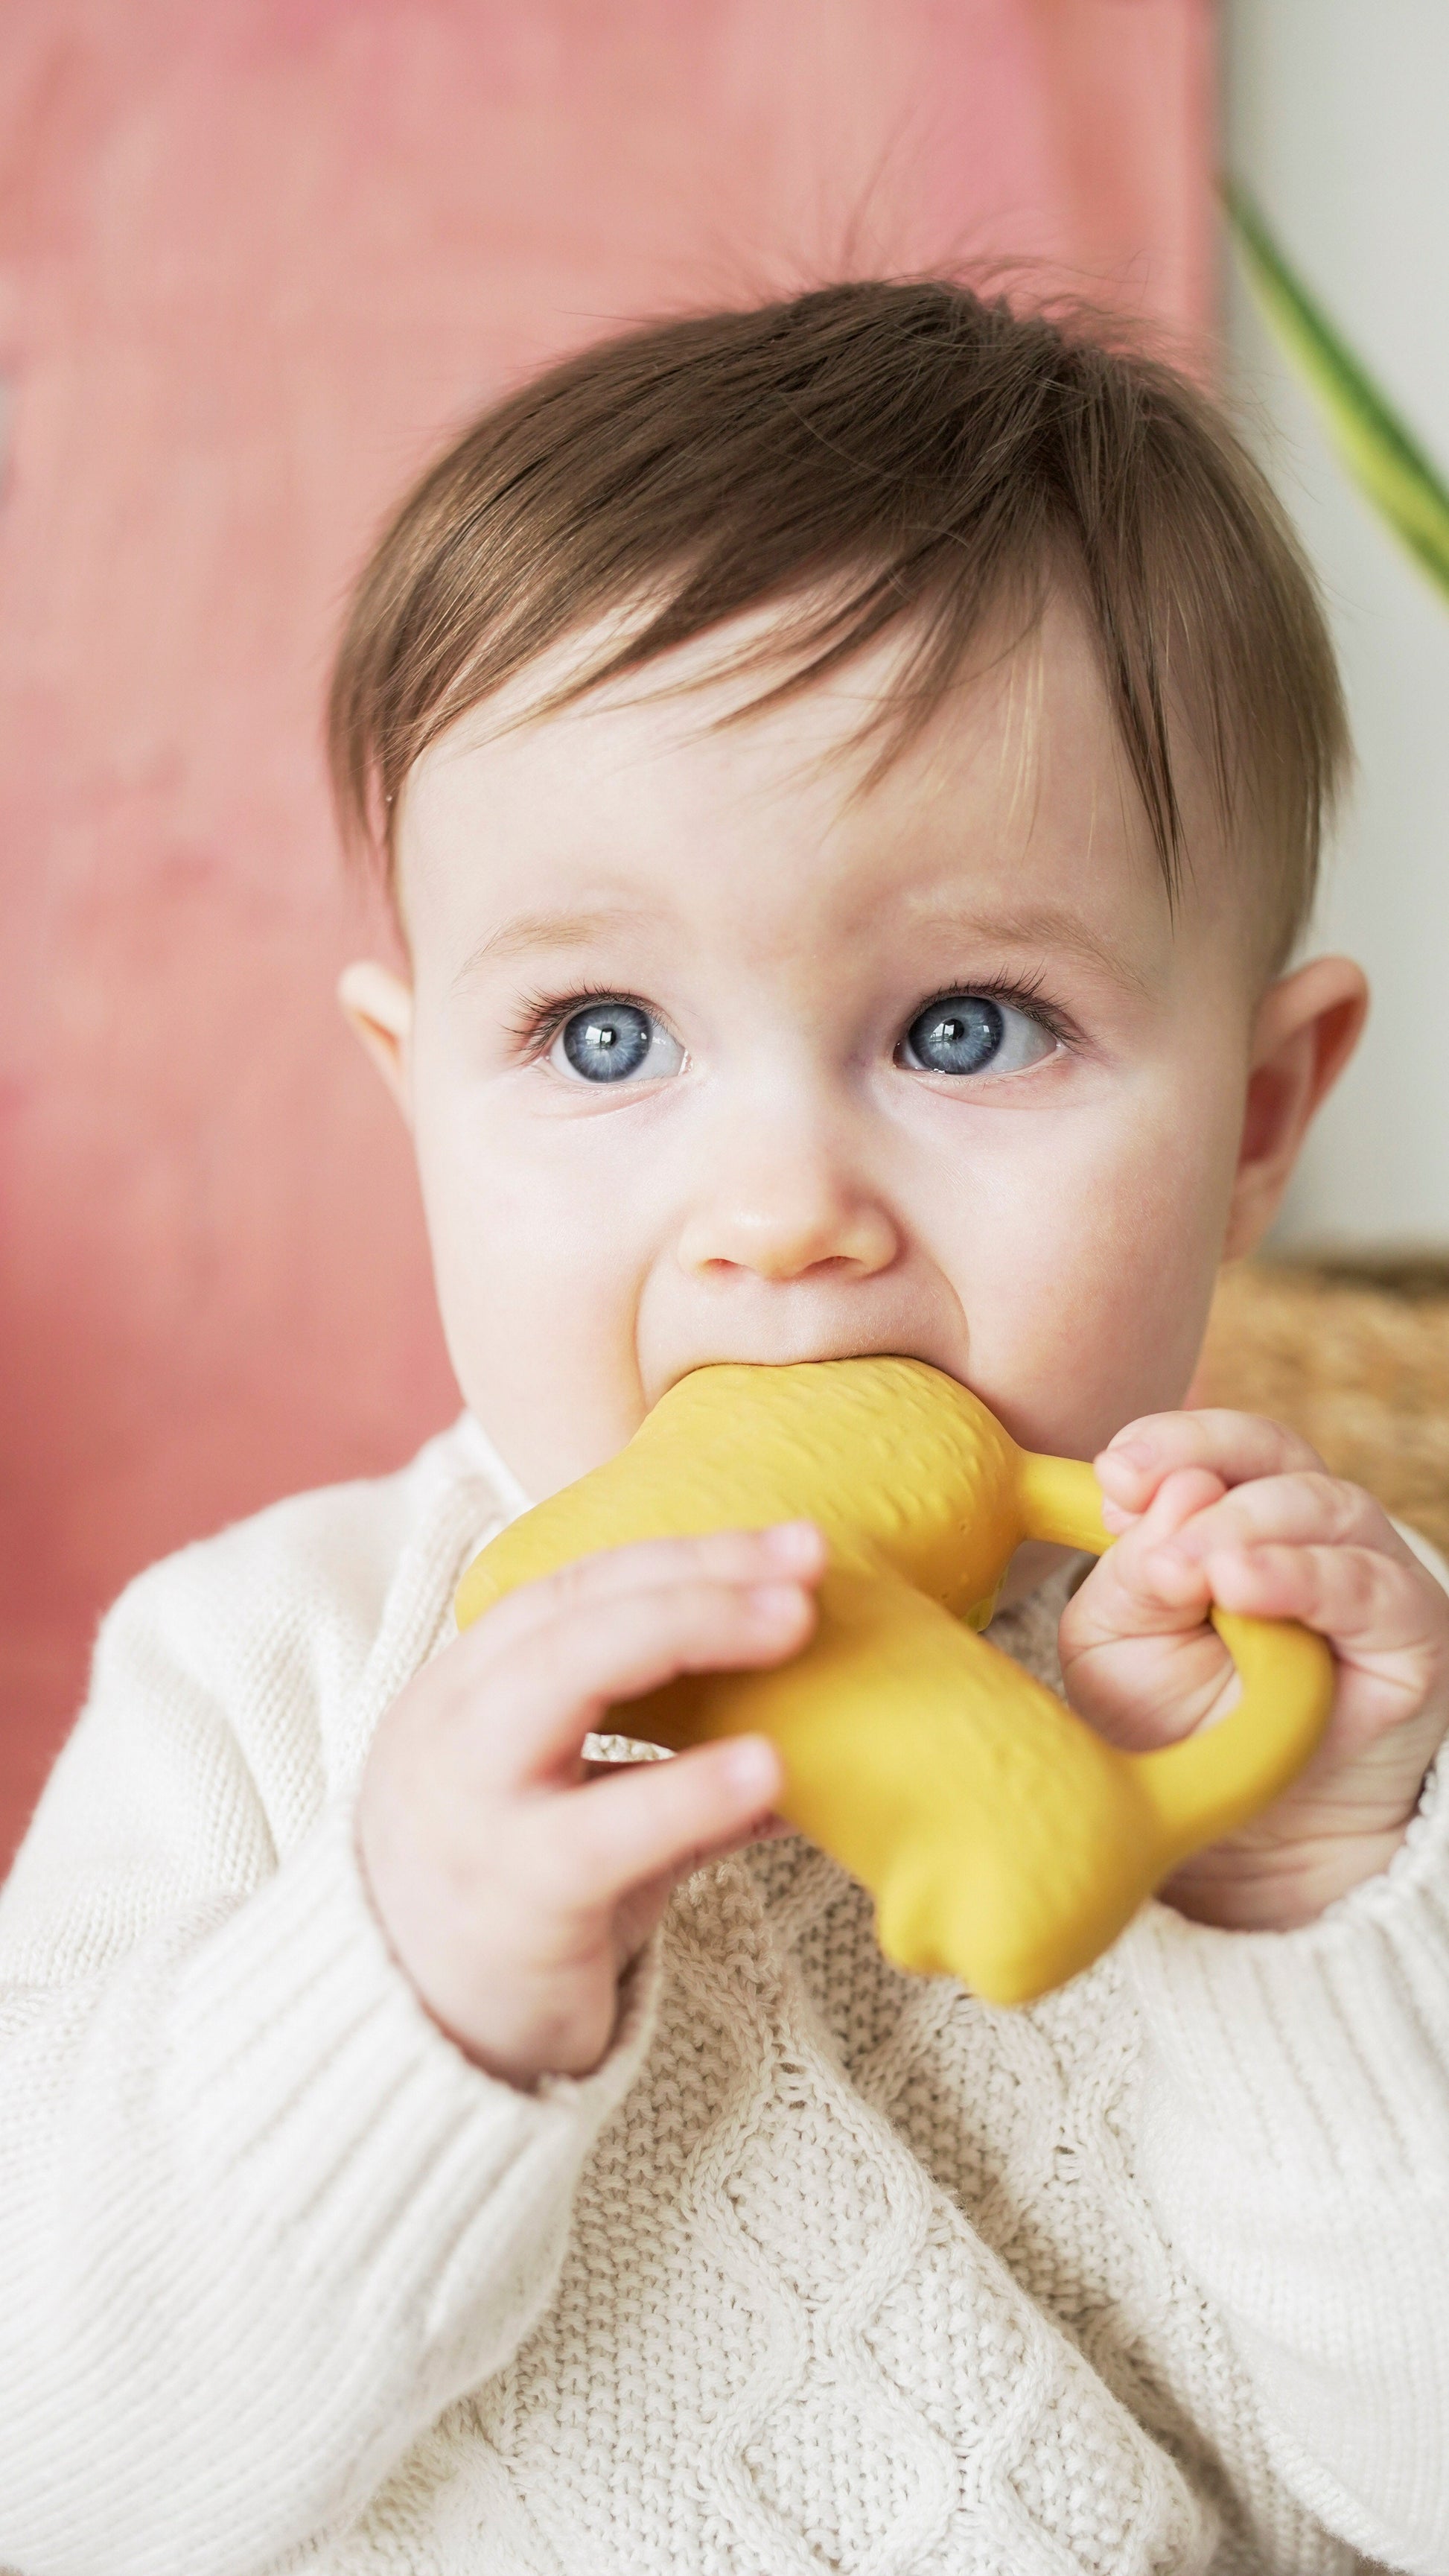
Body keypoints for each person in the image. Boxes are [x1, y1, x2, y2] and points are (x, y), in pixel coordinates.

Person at [2, 279, 1446, 2576]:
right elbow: (54, 2479)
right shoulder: (268, 1679)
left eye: (967, 1026)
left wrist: (1304, 1919)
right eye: (601, 1036)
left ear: (1255, 1117)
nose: (780, 1213)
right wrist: (393, 1990)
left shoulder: (1328, 1691)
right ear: (418, 1096)